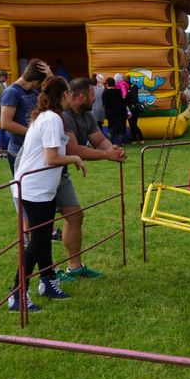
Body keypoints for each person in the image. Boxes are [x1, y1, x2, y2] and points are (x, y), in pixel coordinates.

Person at [7, 76, 87, 312]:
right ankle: (17, 293)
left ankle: (48, 282)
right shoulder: (51, 118)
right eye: (69, 92)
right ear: (63, 95)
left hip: (40, 189)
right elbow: (51, 158)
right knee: (38, 241)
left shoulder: (47, 116)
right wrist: (75, 158)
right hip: (35, 190)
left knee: (42, 239)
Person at [59, 77, 127, 280]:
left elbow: (98, 140)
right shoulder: (63, 116)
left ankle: (74, 267)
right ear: (80, 96)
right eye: (91, 94)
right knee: (41, 227)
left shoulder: (86, 115)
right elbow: (73, 149)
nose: (95, 98)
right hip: (41, 173)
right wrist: (107, 155)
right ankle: (47, 276)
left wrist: (114, 150)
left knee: (75, 216)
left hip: (60, 173)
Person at [0, 59, 52, 174]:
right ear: (35, 82)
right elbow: (6, 123)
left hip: (34, 150)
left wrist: (50, 77)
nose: (39, 87)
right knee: (24, 185)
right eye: (40, 84)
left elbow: (53, 103)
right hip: (19, 151)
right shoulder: (11, 92)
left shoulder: (33, 93)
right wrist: (33, 133)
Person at [102, 76, 128, 145]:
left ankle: (111, 145)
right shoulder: (119, 92)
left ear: (107, 84)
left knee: (111, 130)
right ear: (114, 84)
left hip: (110, 114)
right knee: (121, 131)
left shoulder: (105, 93)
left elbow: (104, 104)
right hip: (121, 113)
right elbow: (124, 102)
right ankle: (120, 145)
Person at [125, 77, 145, 144]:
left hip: (134, 108)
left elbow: (134, 98)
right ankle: (134, 139)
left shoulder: (133, 86)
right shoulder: (126, 87)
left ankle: (141, 138)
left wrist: (128, 97)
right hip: (129, 108)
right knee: (131, 124)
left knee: (134, 124)